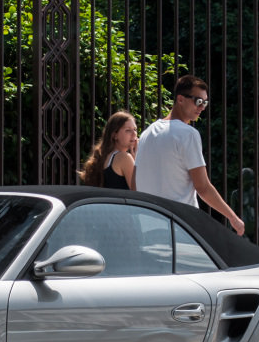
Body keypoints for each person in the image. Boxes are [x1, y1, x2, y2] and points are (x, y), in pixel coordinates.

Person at [134, 75, 245, 235]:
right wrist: (233, 217)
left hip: (148, 225)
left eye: (205, 102)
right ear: (180, 99)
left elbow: (134, 182)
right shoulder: (187, 134)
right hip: (179, 226)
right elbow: (203, 187)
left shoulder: (147, 133)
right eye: (198, 101)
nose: (202, 107)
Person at [79, 111, 138, 190]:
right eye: (128, 130)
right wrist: (137, 161)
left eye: (135, 129)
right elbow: (140, 191)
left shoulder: (104, 157)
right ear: (114, 135)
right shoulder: (124, 157)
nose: (134, 134)